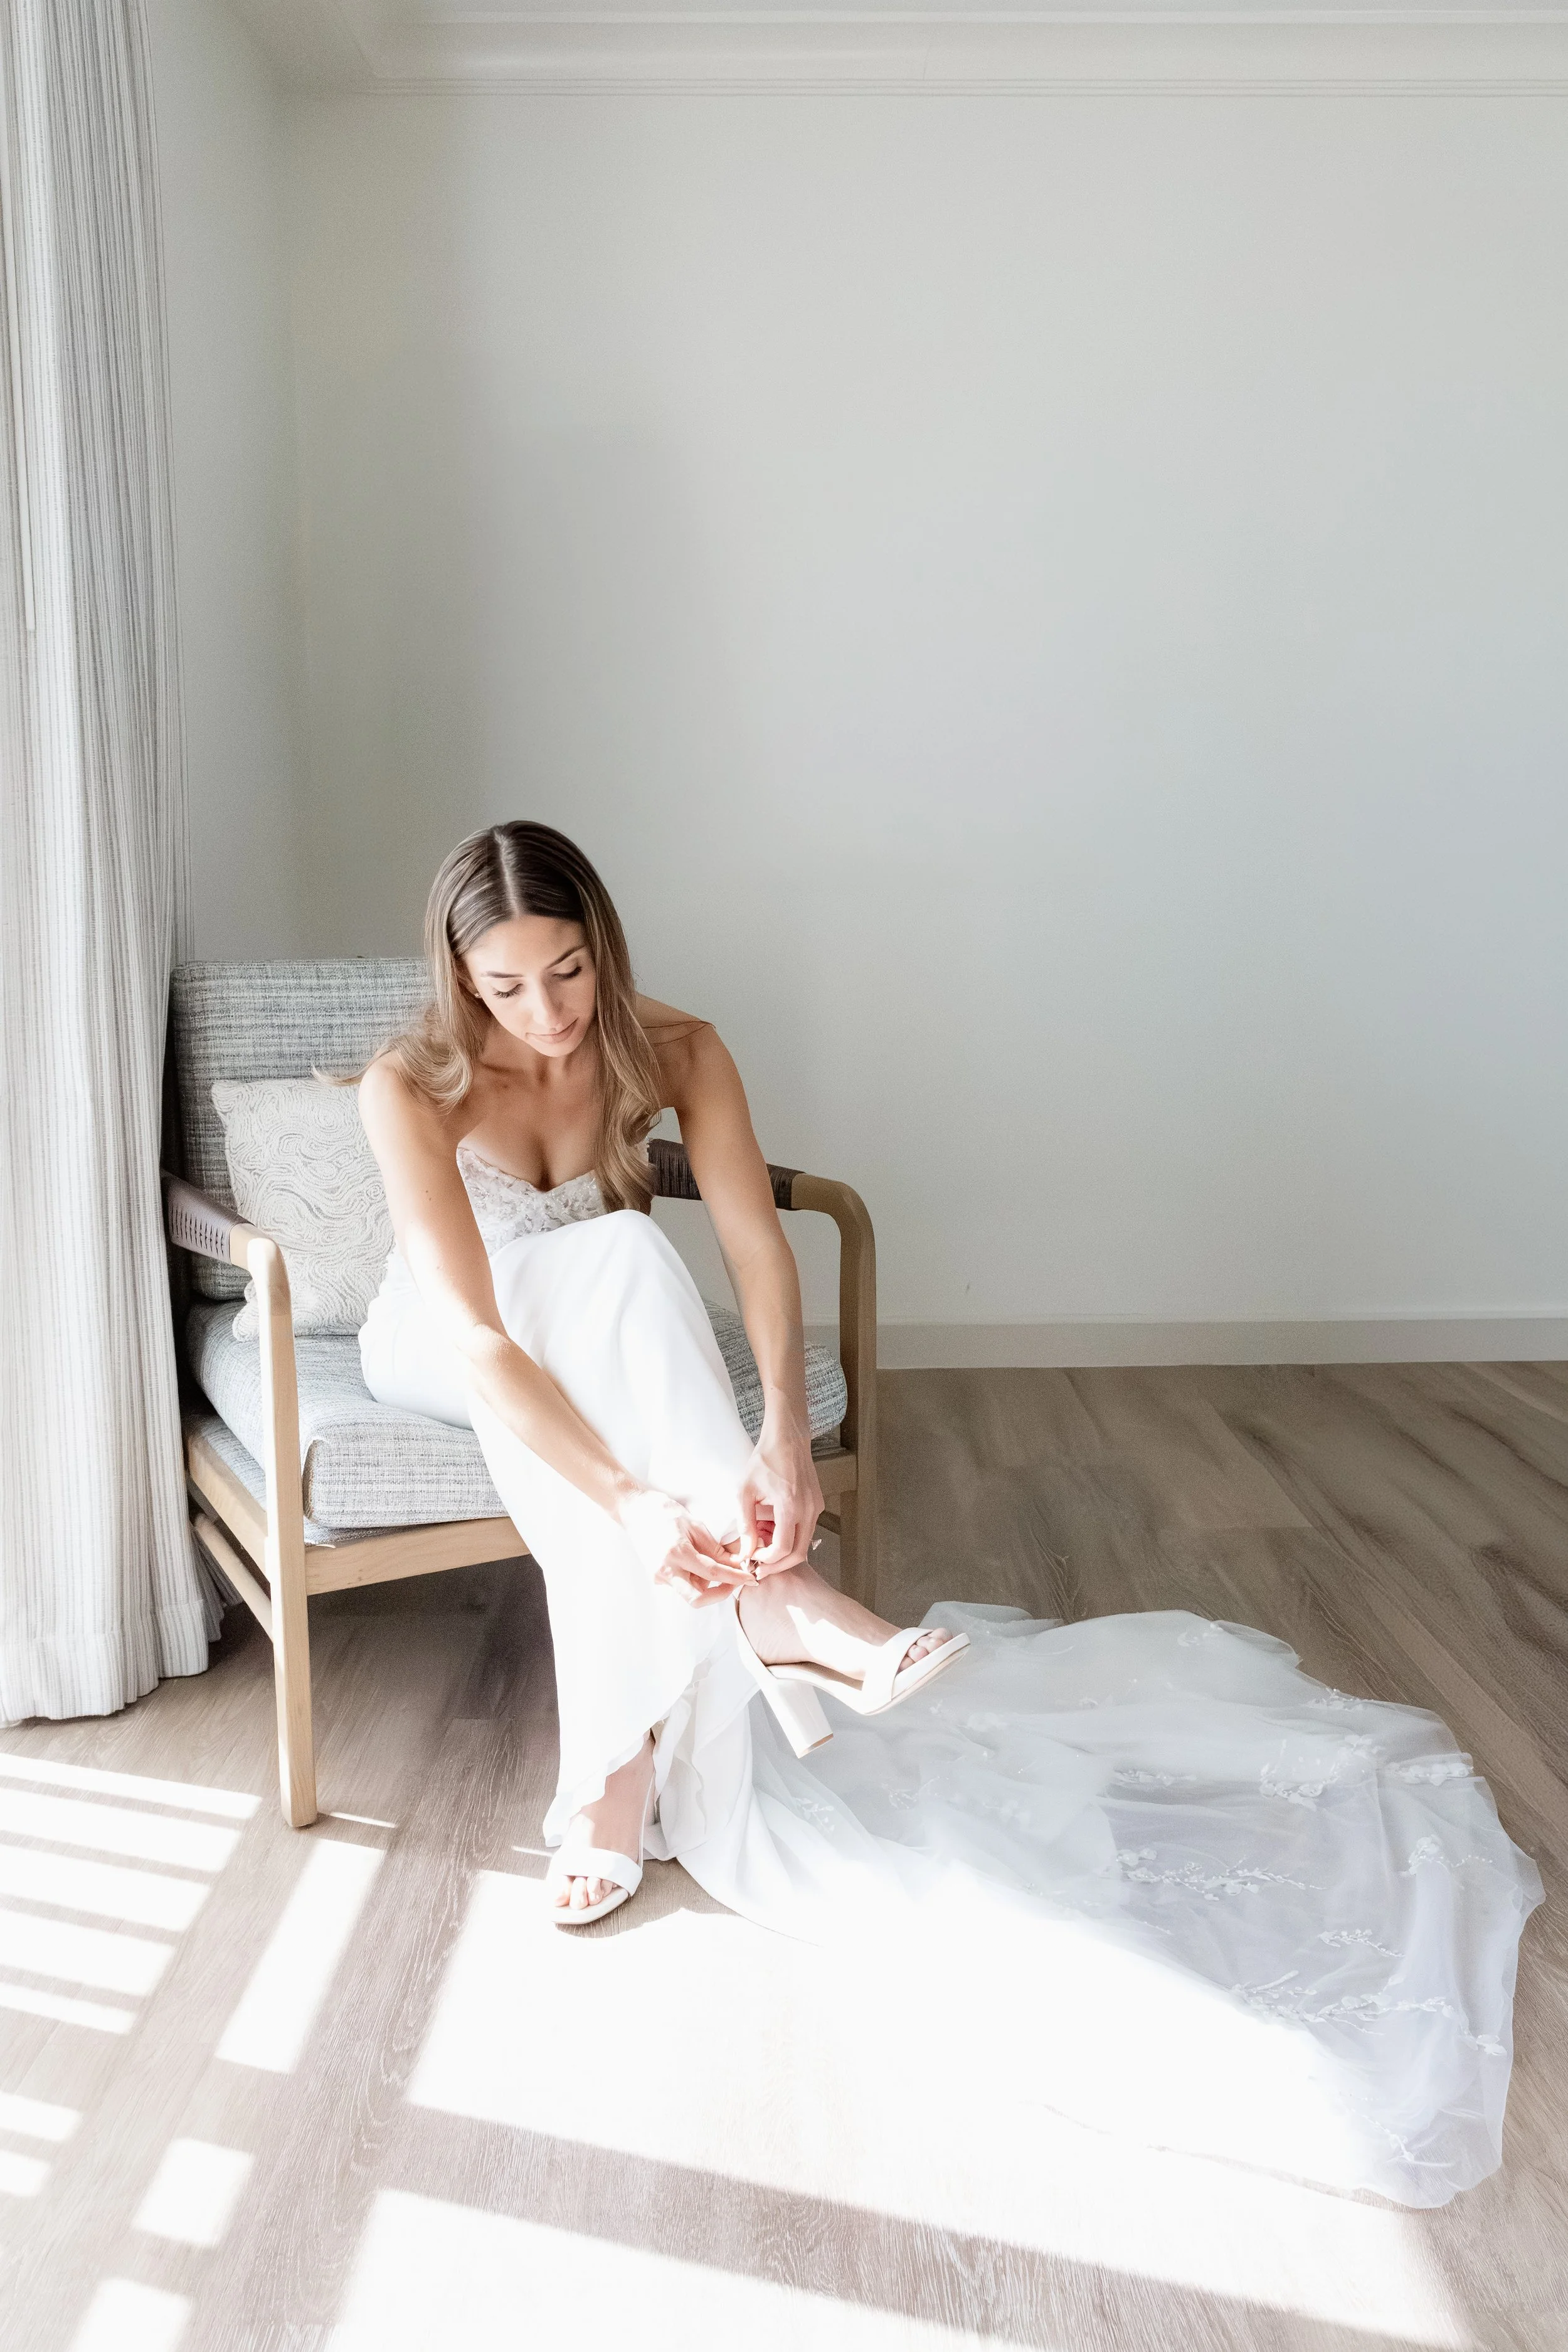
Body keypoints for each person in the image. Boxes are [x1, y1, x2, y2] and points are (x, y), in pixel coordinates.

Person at [358, 819, 1540, 2207]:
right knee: (608, 1268)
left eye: (565, 973)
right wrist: (626, 1501)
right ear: (459, 977)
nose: (547, 1018)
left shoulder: (675, 1045)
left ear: (601, 947)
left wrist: (782, 1435)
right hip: (450, 1335)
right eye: (506, 989)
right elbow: (482, 1338)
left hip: (596, 1333)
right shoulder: (411, 1085)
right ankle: (768, 1617)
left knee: (621, 1262)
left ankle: (622, 1776)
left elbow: (751, 1239)